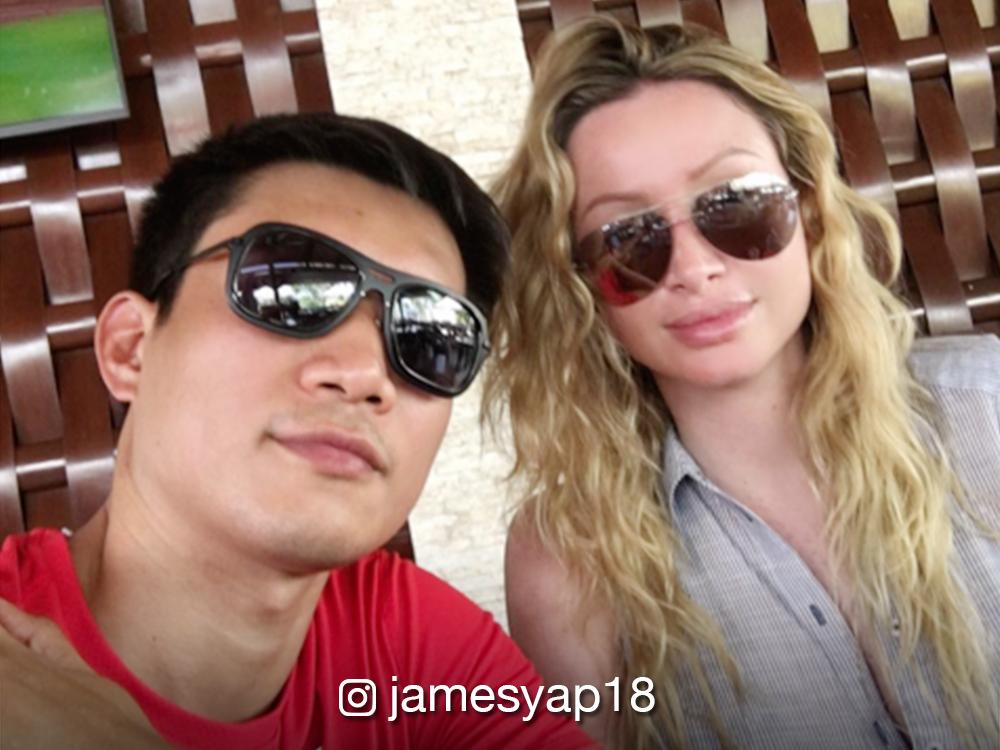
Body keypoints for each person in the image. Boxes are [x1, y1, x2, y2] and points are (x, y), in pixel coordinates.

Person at [0, 113, 595, 749]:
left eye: (431, 336)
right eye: (289, 288)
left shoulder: (413, 644)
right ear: (131, 350)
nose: (365, 374)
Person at [485, 16, 999, 750]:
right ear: (580, 286)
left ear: (809, 211)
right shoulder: (568, 558)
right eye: (628, 238)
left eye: (736, 204)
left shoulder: (989, 407)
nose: (695, 268)